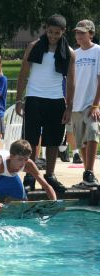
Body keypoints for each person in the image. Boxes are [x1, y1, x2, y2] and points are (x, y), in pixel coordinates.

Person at [15, 14, 75, 193]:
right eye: (50, 32)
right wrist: (19, 99)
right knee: (31, 141)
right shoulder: (33, 47)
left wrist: (69, 107)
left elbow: (71, 82)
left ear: (63, 32)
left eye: (57, 33)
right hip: (34, 98)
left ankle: (50, 175)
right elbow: (23, 74)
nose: (53, 36)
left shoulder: (69, 53)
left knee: (53, 141)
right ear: (45, 29)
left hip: (56, 100)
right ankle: (30, 176)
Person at [0, 139, 57, 212]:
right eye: (20, 159)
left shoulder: (28, 164)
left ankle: (6, 199)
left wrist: (55, 204)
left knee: (22, 203)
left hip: (6, 175)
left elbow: (47, 186)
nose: (23, 163)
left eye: (26, 159)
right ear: (11, 156)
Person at [71, 20, 100, 187]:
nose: (79, 36)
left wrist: (96, 104)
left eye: (82, 32)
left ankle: (88, 172)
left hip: (92, 104)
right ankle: (88, 176)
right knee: (81, 140)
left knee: (93, 131)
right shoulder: (74, 54)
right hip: (76, 104)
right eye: (77, 32)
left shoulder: (97, 51)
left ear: (91, 33)